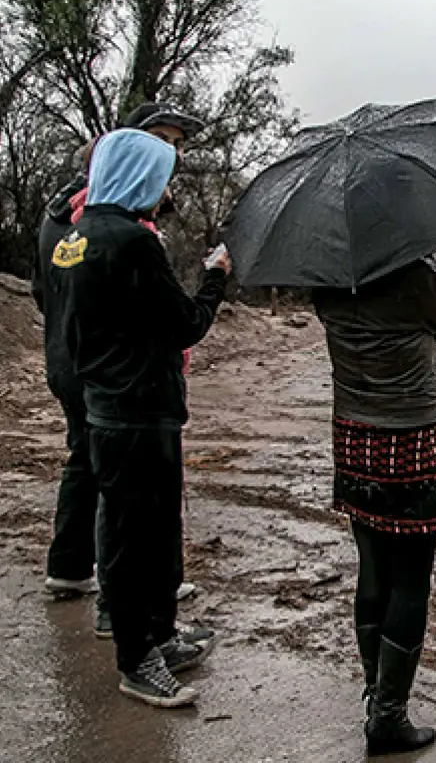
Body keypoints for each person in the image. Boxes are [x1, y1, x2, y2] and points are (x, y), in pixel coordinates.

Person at [49, 128, 231, 708]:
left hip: (108, 405)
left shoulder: (76, 238)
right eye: (161, 176)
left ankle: (158, 636)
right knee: (137, 540)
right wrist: (215, 278)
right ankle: (137, 660)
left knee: (148, 534)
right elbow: (185, 324)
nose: (164, 188)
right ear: (139, 177)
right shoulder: (132, 241)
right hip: (139, 411)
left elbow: (74, 331)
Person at [30, 102, 206, 641]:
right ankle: (123, 599)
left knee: (87, 460)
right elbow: (171, 317)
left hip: (74, 354)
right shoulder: (108, 222)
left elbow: (47, 288)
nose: (171, 156)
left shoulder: (68, 210)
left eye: (177, 145)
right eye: (161, 141)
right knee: (123, 484)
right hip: (106, 369)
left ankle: (71, 566)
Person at [312, 254, 436, 755]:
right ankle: (388, 715)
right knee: (410, 580)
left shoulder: (328, 276)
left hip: (353, 436)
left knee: (374, 569)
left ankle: (375, 696)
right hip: (409, 437)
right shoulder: (415, 273)